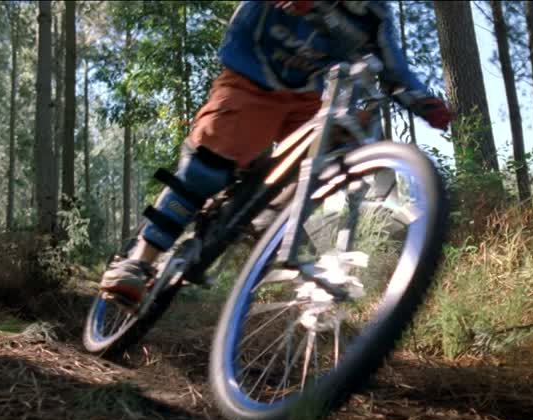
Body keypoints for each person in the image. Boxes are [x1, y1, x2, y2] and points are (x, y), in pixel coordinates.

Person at [100, 0, 453, 305]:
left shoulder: (373, 15)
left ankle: (267, 213)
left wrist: (424, 103)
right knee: (207, 169)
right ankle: (139, 261)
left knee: (333, 154)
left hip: (308, 99)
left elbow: (395, 71)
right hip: (251, 79)